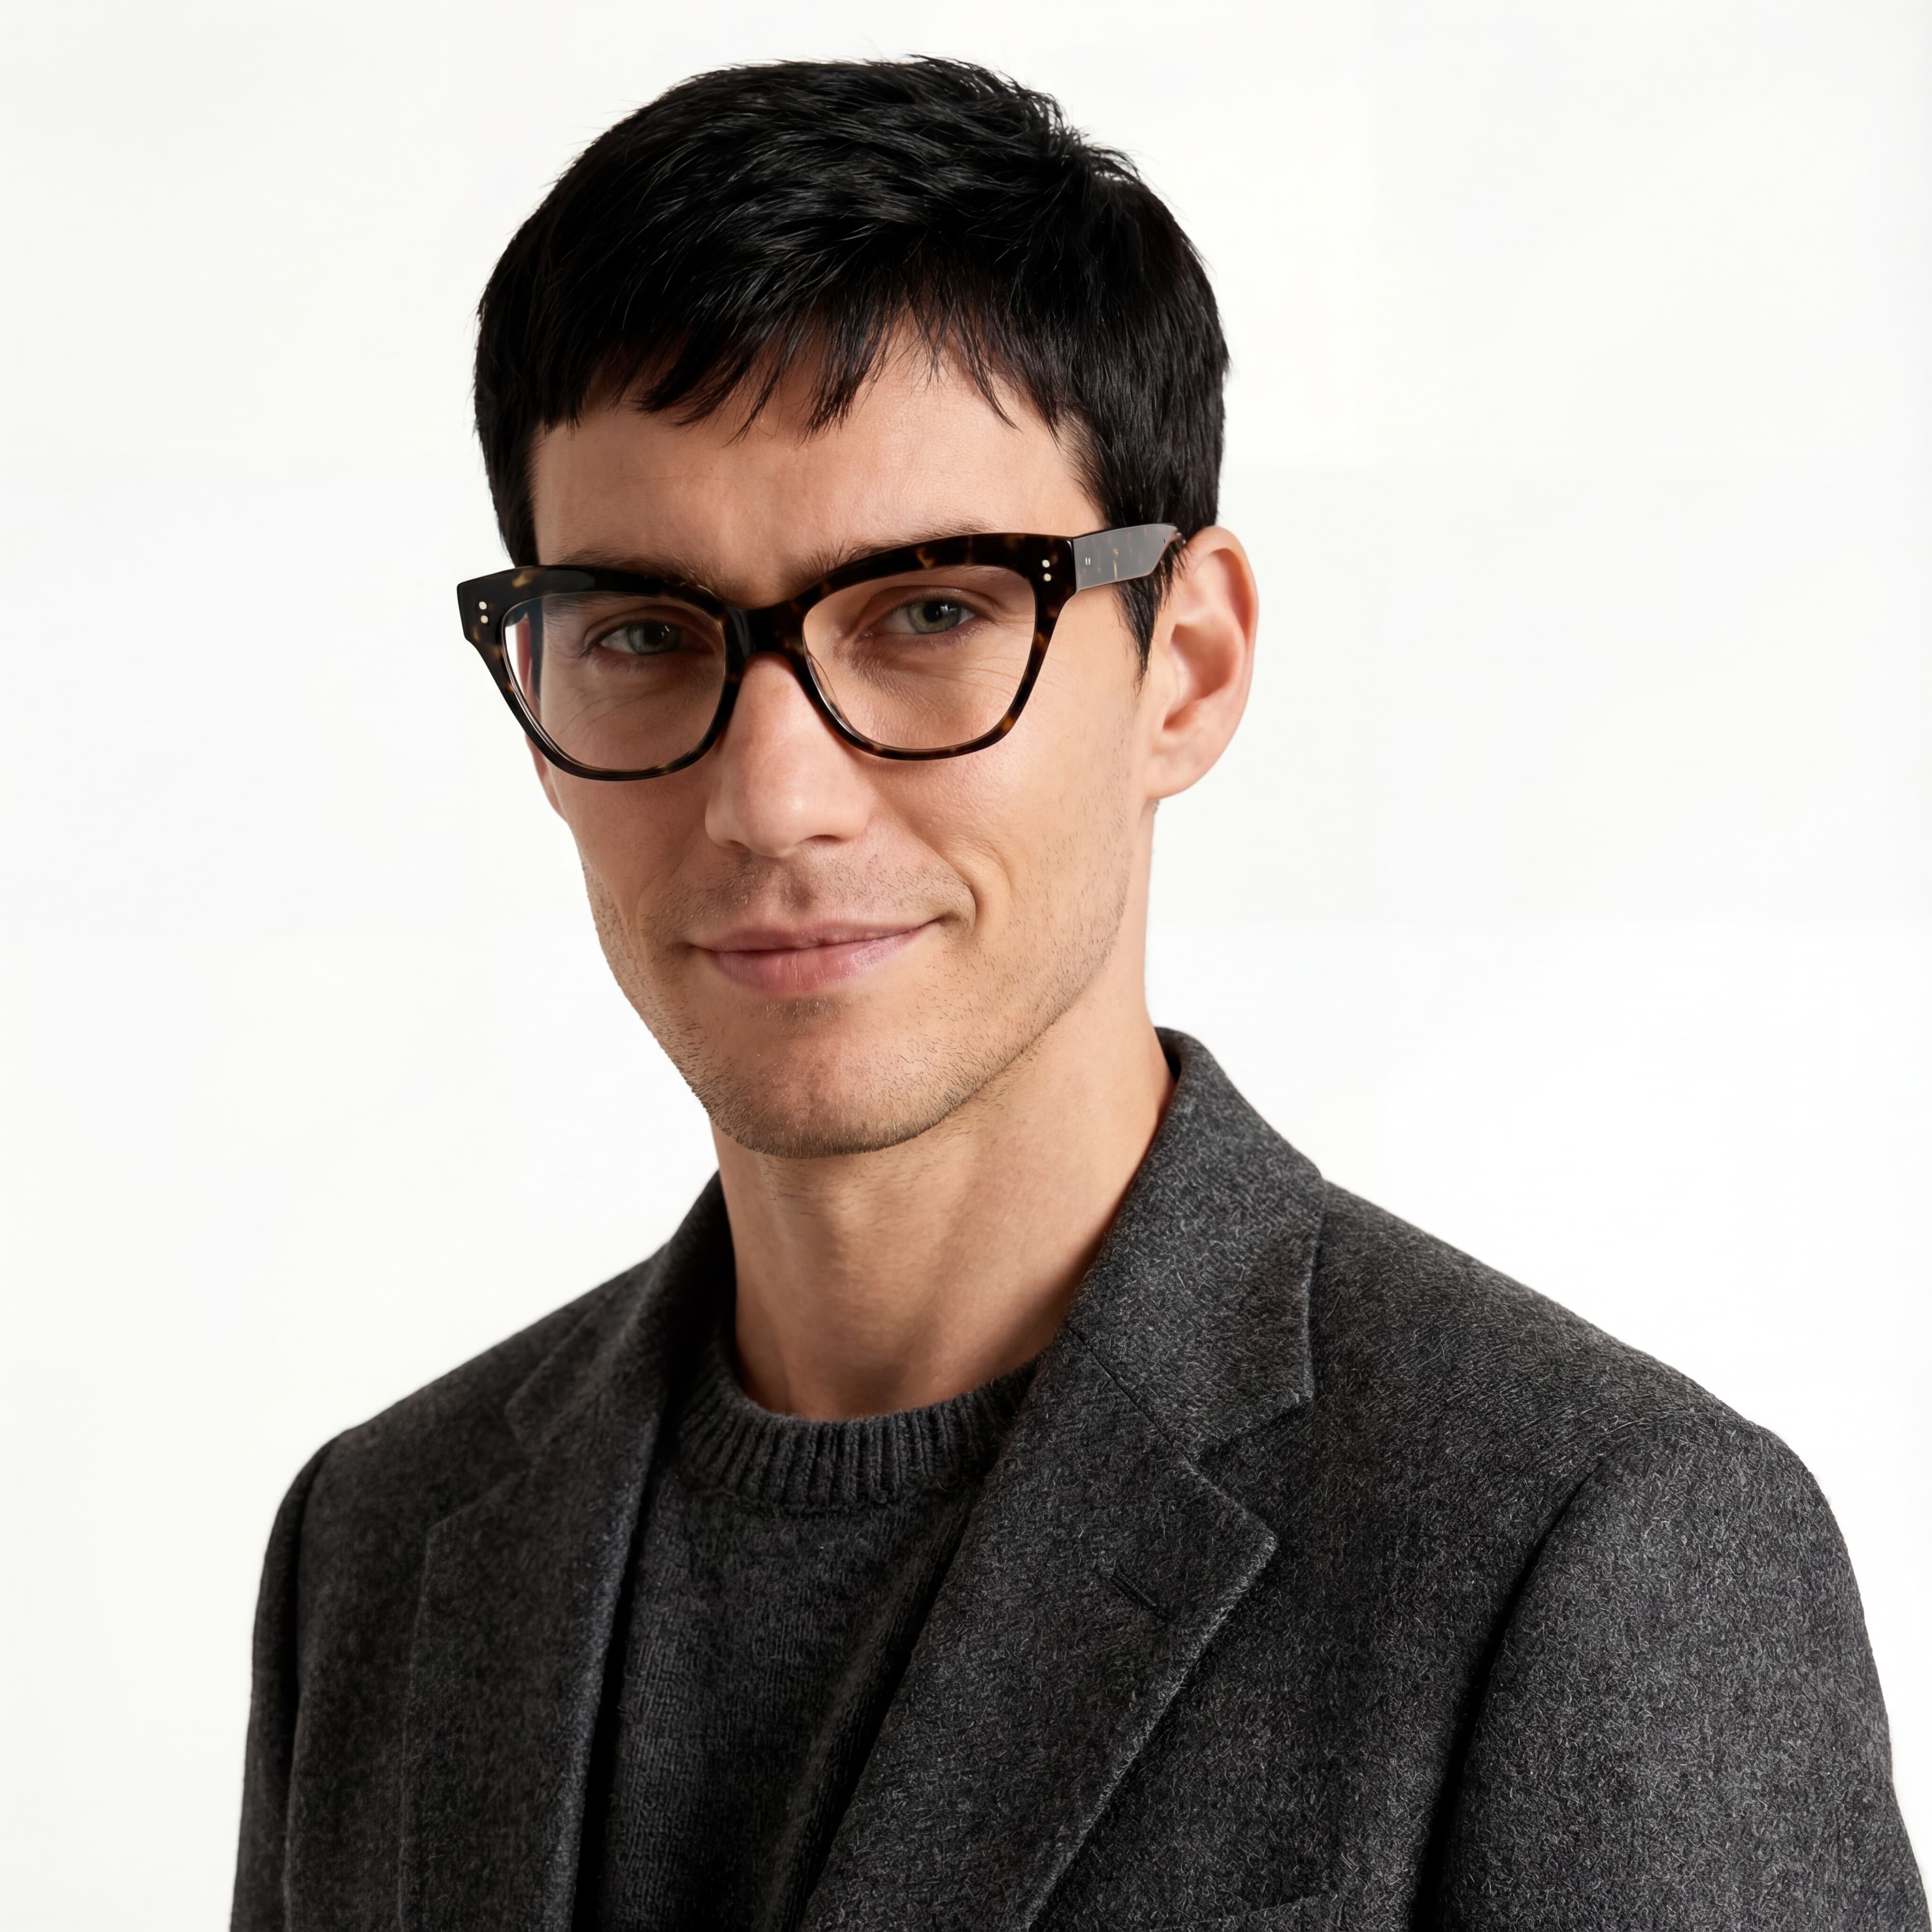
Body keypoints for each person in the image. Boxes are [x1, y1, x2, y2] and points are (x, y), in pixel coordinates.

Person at [232, 57, 1926, 1932]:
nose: (773, 796)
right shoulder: (377, 1545)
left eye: (934, 612)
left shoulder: (1588, 1544)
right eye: (642, 633)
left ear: (1183, 668)